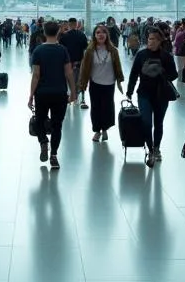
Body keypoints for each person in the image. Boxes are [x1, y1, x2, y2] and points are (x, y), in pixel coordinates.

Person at [126, 28, 179, 167]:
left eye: (154, 39)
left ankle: (157, 148)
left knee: (159, 123)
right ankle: (150, 149)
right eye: (149, 39)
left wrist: (161, 72)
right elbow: (134, 73)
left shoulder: (166, 56)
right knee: (147, 123)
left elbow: (174, 74)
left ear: (160, 41)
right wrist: (129, 91)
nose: (151, 41)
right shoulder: (141, 55)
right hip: (144, 93)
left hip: (161, 94)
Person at [28, 20, 76, 170]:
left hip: (42, 93)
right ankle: (54, 155)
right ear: (58, 33)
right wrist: (73, 91)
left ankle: (43, 142)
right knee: (57, 125)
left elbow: (36, 75)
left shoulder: (38, 51)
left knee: (40, 121)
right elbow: (68, 72)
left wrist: (31, 95)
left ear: (44, 32)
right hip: (59, 93)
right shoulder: (62, 50)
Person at [79, 23, 124, 142]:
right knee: (96, 108)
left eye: (103, 32)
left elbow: (118, 67)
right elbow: (84, 68)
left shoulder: (113, 50)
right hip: (95, 83)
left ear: (107, 35)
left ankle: (105, 129)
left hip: (109, 83)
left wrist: (119, 81)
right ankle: (97, 131)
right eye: (98, 32)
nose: (100, 35)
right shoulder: (89, 51)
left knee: (107, 107)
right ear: (94, 35)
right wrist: (82, 84)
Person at [59, 17, 89, 109]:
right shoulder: (81, 35)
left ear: (69, 24)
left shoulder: (64, 36)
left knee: (67, 80)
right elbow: (85, 48)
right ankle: (76, 96)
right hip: (78, 62)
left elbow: (61, 49)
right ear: (76, 24)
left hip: (67, 63)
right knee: (78, 80)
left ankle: (69, 96)